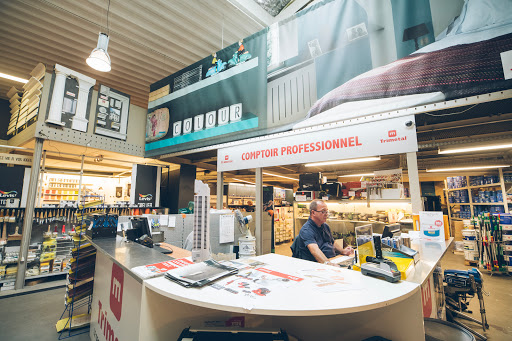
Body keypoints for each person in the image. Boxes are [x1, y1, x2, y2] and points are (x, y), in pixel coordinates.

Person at [296, 200, 353, 265]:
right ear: (313, 213)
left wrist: (343, 251)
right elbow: (315, 251)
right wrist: (329, 264)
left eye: (327, 211)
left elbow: (332, 242)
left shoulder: (325, 226)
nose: (326, 214)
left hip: (331, 259)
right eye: (323, 211)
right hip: (316, 264)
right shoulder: (307, 230)